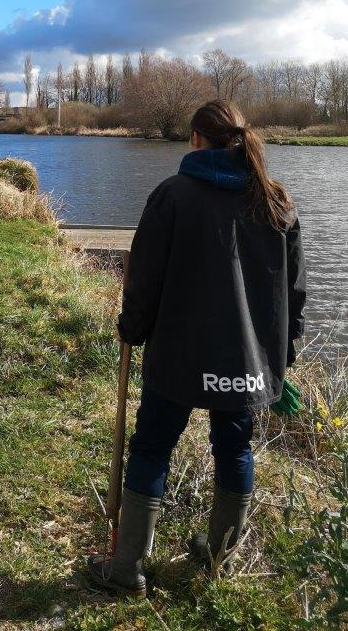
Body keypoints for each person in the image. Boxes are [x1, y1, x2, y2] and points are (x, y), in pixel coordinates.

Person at [88, 99, 306, 598]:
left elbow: (143, 278)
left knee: (151, 447)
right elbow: (295, 296)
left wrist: (131, 327)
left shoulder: (173, 196)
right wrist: (281, 360)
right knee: (235, 448)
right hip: (246, 362)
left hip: (179, 355)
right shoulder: (278, 204)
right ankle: (218, 559)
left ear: (195, 139)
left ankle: (126, 570)